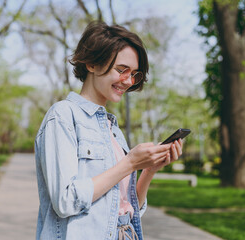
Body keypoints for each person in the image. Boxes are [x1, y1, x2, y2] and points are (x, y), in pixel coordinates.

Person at [34, 21, 183, 240]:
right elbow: (65, 201)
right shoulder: (63, 116)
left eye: (134, 74)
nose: (129, 81)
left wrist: (149, 169)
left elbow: (128, 207)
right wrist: (129, 163)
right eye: (121, 70)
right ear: (92, 64)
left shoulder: (114, 131)